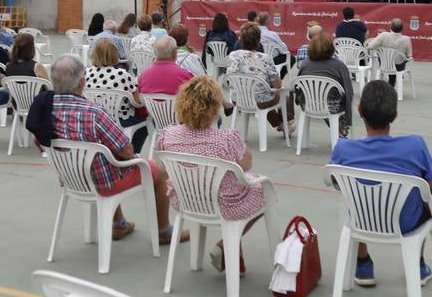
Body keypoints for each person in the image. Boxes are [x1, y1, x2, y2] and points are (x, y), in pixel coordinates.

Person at [47, 54, 187, 245]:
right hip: (101, 181)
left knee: (105, 161)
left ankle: (119, 223)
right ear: (81, 82)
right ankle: (164, 231)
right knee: (158, 173)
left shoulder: (45, 109)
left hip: (71, 177)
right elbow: (127, 151)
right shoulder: (93, 112)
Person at [329, 80, 432, 287]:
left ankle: (363, 264)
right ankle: (417, 265)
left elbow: (335, 182)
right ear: (395, 114)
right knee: (425, 202)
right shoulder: (414, 146)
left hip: (361, 221)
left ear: (360, 111)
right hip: (404, 224)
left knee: (355, 199)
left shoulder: (343, 150)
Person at [158, 76, 268, 271]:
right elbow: (246, 165)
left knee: (230, 184)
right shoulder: (225, 138)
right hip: (223, 204)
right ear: (214, 107)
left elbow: (163, 166)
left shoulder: (168, 135)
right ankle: (226, 246)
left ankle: (232, 256)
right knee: (263, 191)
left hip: (187, 200)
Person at [226, 24, 290, 131]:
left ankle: (280, 124)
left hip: (237, 99)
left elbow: (229, 78)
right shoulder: (264, 58)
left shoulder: (232, 55)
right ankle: (287, 123)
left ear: (241, 39)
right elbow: (278, 85)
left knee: (262, 93)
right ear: (259, 39)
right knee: (285, 96)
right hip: (260, 101)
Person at [85, 38, 145, 150]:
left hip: (96, 119)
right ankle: (134, 151)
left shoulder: (87, 73)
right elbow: (137, 101)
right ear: (114, 54)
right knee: (145, 123)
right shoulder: (122, 74)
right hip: (121, 119)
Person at [295, 31, 352, 135]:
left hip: (308, 104)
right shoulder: (339, 65)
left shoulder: (305, 64)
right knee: (334, 96)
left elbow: (298, 86)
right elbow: (349, 91)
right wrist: (348, 119)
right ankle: (341, 125)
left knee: (321, 97)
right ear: (331, 47)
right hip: (333, 105)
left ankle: (338, 127)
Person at [366, 17, 412, 82]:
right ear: (402, 29)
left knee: (384, 58)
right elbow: (409, 55)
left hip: (384, 64)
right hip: (398, 66)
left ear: (390, 27)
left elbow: (370, 47)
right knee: (403, 59)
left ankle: (392, 81)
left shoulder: (383, 35)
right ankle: (397, 77)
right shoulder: (407, 39)